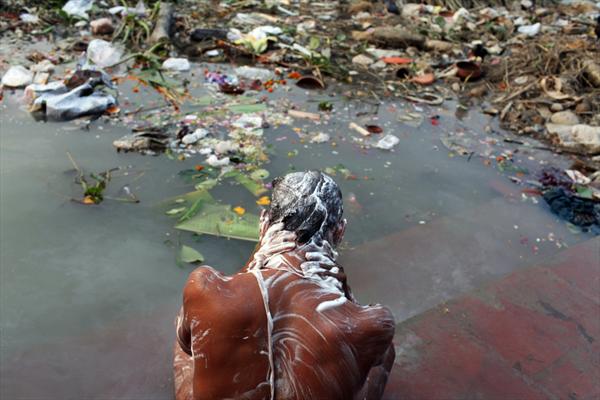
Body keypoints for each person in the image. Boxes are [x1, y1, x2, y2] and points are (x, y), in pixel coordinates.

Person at [174, 171, 395, 400]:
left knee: (189, 334)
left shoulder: (206, 287)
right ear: (340, 232)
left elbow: (187, 345)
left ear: (263, 224)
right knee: (384, 351)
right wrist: (341, 289)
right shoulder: (373, 323)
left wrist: (256, 261)